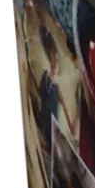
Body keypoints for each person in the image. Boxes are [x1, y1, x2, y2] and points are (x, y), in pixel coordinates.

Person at [35, 26, 76, 154]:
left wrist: (71, 125)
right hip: (44, 121)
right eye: (55, 59)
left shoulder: (57, 87)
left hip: (52, 126)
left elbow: (64, 107)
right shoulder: (44, 76)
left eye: (58, 61)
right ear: (51, 57)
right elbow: (39, 94)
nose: (57, 63)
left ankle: (51, 146)